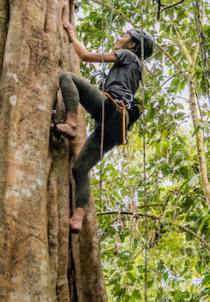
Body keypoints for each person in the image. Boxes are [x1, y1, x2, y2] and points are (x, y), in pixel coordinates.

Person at [55, 22, 155, 232]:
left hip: (113, 108)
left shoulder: (128, 56)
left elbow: (86, 56)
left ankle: (71, 124)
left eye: (123, 36)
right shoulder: (136, 68)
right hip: (117, 129)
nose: (118, 38)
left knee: (67, 77)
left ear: (132, 44)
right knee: (80, 168)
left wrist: (72, 36)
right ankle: (77, 218)